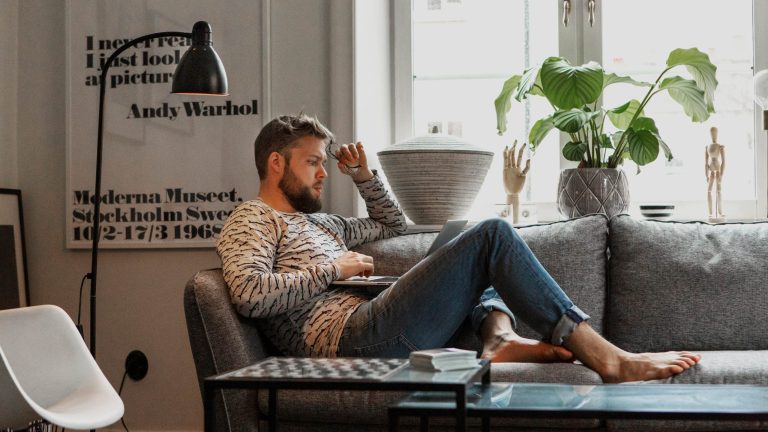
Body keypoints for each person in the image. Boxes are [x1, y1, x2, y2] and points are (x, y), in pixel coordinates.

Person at [217, 113, 701, 383]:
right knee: (491, 235)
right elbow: (249, 294)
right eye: (312, 162)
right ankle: (607, 358)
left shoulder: (320, 223)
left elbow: (390, 224)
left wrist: (363, 176)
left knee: (460, 240)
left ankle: (499, 338)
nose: (323, 172)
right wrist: (332, 270)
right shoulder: (252, 218)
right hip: (349, 338)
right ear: (276, 163)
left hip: (371, 321)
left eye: (324, 163)